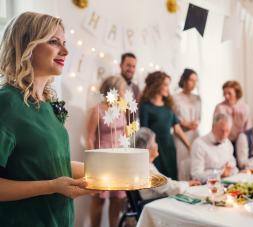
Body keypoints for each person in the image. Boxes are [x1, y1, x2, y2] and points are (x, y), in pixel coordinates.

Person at [0, 12, 91, 226]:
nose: (65, 51)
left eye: (64, 43)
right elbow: (52, 180)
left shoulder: (48, 104)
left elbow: (46, 162)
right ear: (26, 46)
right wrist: (52, 186)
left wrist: (111, 171)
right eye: (53, 42)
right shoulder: (7, 103)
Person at [86, 76, 127, 227]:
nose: (124, 92)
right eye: (122, 89)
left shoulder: (121, 109)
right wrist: (92, 163)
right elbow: (90, 137)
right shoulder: (97, 110)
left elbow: (124, 133)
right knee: (99, 199)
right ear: (114, 90)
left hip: (119, 160)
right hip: (102, 160)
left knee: (117, 199)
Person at [139, 71, 191, 180]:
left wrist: (190, 146)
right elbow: (144, 133)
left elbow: (177, 129)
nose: (168, 88)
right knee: (159, 182)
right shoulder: (145, 107)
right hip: (156, 150)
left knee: (172, 178)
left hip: (169, 148)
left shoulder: (168, 106)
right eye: (166, 85)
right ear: (157, 85)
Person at [135, 128, 200, 200]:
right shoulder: (146, 170)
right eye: (154, 142)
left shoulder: (144, 165)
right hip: (157, 205)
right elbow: (172, 188)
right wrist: (188, 183)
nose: (157, 145)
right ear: (148, 148)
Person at [191, 114, 238, 183]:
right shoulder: (199, 144)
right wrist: (219, 175)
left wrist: (232, 170)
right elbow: (196, 175)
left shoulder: (228, 144)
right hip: (205, 187)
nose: (224, 135)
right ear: (213, 127)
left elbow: (233, 166)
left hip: (225, 184)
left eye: (227, 131)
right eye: (222, 130)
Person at [173, 68, 201, 180]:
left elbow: (199, 117)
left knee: (195, 161)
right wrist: (185, 124)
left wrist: (195, 123)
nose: (194, 83)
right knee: (183, 163)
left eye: (196, 81)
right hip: (181, 134)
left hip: (195, 134)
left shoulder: (198, 98)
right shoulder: (175, 98)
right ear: (184, 80)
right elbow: (174, 119)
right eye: (191, 80)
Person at [213, 81, 249, 146]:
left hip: (240, 142)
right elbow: (214, 127)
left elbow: (247, 128)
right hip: (224, 141)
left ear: (236, 93)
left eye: (229, 93)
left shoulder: (244, 107)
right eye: (224, 93)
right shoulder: (219, 107)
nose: (226, 96)